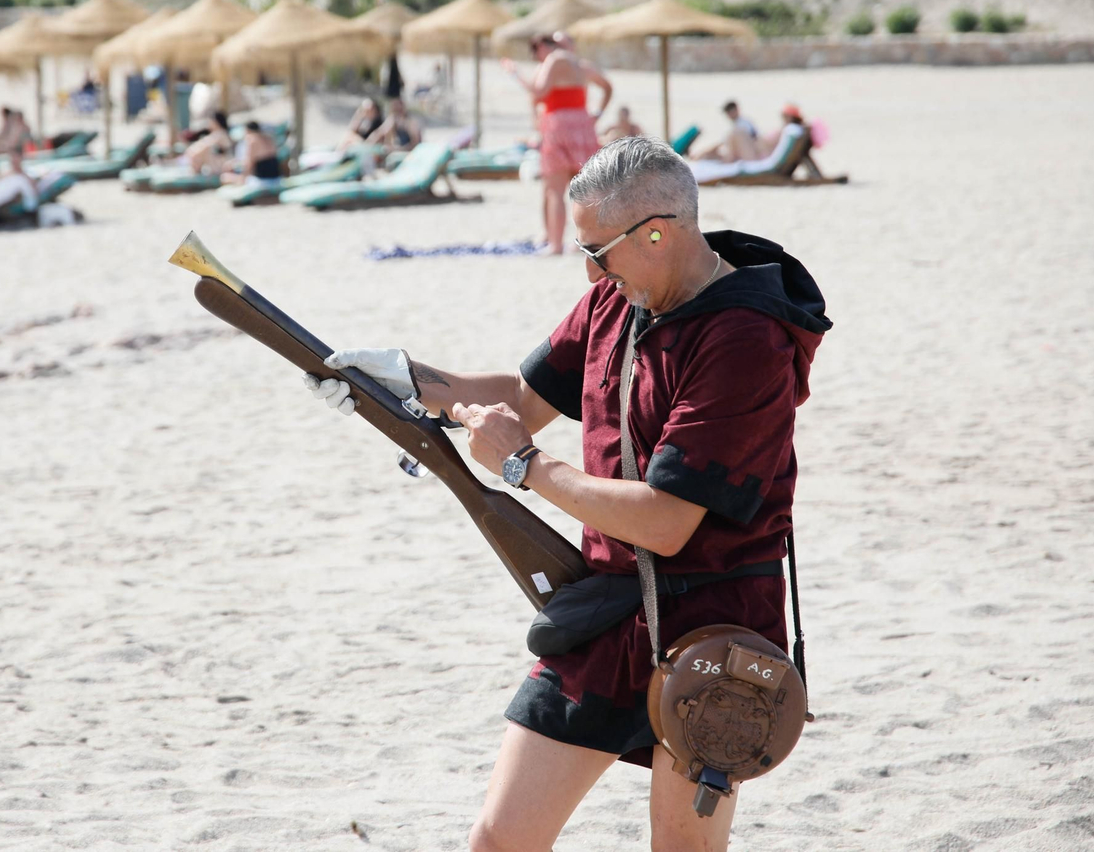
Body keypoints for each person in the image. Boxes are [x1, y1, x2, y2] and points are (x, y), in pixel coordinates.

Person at [302, 136, 830, 852]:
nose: (588, 273)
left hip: (718, 627)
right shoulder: (620, 295)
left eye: (596, 251)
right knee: (500, 839)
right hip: (607, 612)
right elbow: (523, 397)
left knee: (683, 850)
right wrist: (399, 381)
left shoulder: (746, 339)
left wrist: (524, 466)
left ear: (657, 232)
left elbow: (668, 521)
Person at [502, 32, 614, 255]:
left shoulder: (554, 61)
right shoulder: (581, 66)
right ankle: (583, 242)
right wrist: (597, 113)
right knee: (585, 189)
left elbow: (538, 93)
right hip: (582, 125)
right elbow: (607, 87)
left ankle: (554, 243)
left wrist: (515, 74)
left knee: (554, 188)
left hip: (558, 126)